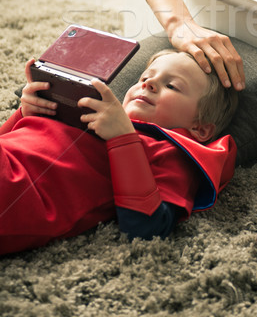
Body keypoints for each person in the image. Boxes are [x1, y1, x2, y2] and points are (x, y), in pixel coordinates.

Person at [0, 49, 237, 255]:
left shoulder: (171, 152)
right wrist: (24, 114)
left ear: (200, 128)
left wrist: (122, 138)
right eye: (145, 77)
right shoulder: (85, 112)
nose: (148, 84)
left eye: (171, 86)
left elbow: (148, 228)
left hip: (18, 191)